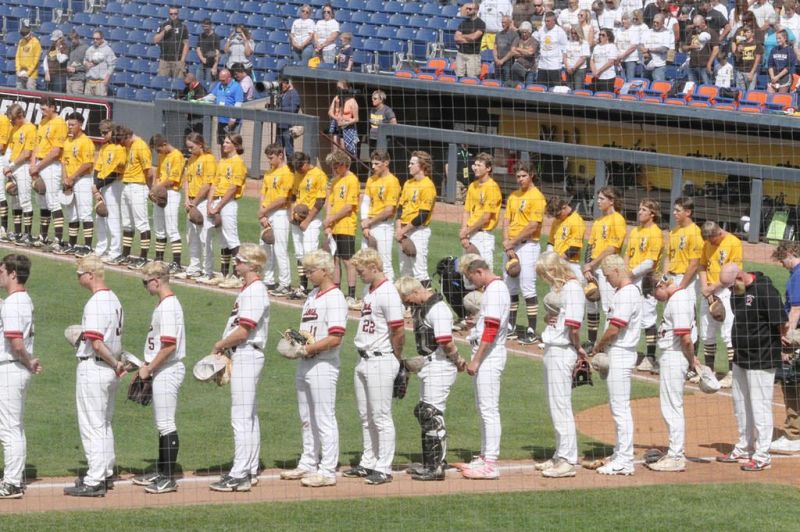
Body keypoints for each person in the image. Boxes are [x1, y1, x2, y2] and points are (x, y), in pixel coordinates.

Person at [280, 250, 347, 488]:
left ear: (325, 270)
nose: (307, 275)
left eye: (310, 271)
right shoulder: (312, 296)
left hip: (323, 365)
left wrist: (308, 350)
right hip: (305, 363)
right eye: (306, 271)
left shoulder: (335, 297)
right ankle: (308, 462)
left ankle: (327, 470)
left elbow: (336, 336)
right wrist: (295, 343)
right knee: (306, 417)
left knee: (323, 417)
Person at [209, 243, 269, 492]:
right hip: (243, 355)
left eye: (240, 260)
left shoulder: (255, 291)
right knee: (249, 416)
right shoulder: (248, 289)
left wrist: (219, 345)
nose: (236, 263)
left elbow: (244, 330)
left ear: (253, 265)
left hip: (247, 354)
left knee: (241, 417)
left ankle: (240, 474)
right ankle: (250, 469)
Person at [64, 256, 124, 497]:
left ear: (90, 274)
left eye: (80, 273)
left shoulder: (96, 302)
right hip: (107, 370)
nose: (78, 277)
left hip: (96, 367)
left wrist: (115, 363)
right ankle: (106, 472)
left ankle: (95, 479)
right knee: (104, 423)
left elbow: (97, 343)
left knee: (92, 425)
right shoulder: (114, 299)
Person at [716, 263, 784, 471]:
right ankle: (744, 447)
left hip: (762, 358)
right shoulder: (738, 292)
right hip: (741, 357)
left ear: (739, 277)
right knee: (740, 403)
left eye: (729, 286)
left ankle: (762, 456)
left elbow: (781, 323)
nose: (729, 291)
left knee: (760, 406)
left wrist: (781, 346)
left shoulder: (766, 290)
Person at [396, 276, 464, 481]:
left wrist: (458, 360)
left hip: (441, 366)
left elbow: (446, 342)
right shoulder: (426, 307)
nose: (406, 305)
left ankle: (435, 467)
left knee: (431, 413)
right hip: (431, 364)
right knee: (424, 412)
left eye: (406, 300)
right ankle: (431, 462)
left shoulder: (438, 310)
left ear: (414, 292)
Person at [346, 248, 405, 486]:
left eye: (361, 271)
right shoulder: (368, 290)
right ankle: (368, 461)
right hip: (364, 359)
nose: (359, 275)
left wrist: (395, 360)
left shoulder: (388, 293)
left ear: (374, 267)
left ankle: (383, 467)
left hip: (381, 359)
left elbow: (399, 331)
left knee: (381, 416)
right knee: (365, 416)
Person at [130, 261, 185, 494]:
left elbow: (169, 345)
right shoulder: (164, 305)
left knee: (166, 424)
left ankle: (168, 478)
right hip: (161, 368)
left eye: (145, 282)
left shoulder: (169, 306)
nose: (144, 287)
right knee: (161, 424)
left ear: (156, 281)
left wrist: (148, 369)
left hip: (168, 369)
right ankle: (162, 471)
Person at [458, 253, 510, 479]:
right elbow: (486, 325)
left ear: (480, 272)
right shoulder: (491, 291)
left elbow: (491, 329)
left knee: (489, 409)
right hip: (487, 354)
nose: (472, 284)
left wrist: (476, 359)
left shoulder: (496, 290)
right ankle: (484, 455)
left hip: (489, 357)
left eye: (472, 278)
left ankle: (490, 463)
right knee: (484, 408)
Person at [534, 252, 585, 478]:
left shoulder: (573, 289)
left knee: (561, 406)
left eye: (545, 274)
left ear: (554, 270)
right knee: (555, 405)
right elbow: (563, 320)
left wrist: (579, 348)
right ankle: (559, 454)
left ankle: (567, 460)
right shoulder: (565, 289)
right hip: (554, 349)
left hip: (563, 351)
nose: (545, 279)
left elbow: (574, 326)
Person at [590, 254, 642, 476]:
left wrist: (597, 347)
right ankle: (620, 452)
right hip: (619, 353)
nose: (607, 280)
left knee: (620, 408)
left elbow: (614, 328)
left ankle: (625, 460)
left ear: (617, 270)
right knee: (617, 407)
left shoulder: (627, 293)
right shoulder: (625, 293)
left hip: (620, 353)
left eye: (608, 275)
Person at [646, 273, 700, 472]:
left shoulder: (678, 301)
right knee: (670, 405)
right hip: (675, 355)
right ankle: (675, 452)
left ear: (660, 286)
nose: (655, 298)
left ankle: (676, 456)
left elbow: (685, 338)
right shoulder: (679, 298)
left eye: (653, 293)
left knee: (672, 406)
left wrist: (691, 359)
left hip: (675, 356)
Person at [0, 254, 42, 500]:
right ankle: (13, 478)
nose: (0, 273)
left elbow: (16, 343)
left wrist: (29, 362)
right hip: (13, 367)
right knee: (10, 426)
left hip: (11, 368)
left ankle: (13, 483)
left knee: (10, 428)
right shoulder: (17, 301)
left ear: (14, 273)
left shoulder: (15, 303)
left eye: (2, 269)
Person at [502, 161, 546, 344]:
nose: (520, 179)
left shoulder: (537, 197)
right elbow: (506, 221)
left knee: (527, 287)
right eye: (518, 176)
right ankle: (511, 326)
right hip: (511, 247)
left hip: (528, 246)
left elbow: (533, 226)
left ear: (532, 175)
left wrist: (512, 242)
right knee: (510, 286)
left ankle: (530, 329)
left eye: (523, 176)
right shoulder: (513, 196)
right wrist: (508, 243)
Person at [698, 220, 743, 388]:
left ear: (719, 233)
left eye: (712, 239)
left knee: (728, 333)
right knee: (707, 332)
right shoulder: (707, 243)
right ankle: (709, 371)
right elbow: (702, 265)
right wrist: (705, 288)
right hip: (708, 291)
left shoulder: (734, 243)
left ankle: (732, 373)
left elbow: (733, 273)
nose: (710, 243)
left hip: (726, 291)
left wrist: (712, 288)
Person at [582, 186, 626, 343]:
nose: (598, 201)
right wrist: (587, 267)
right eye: (598, 198)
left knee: (608, 307)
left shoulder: (618, 220)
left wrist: (592, 264)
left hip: (608, 270)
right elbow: (590, 245)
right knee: (591, 303)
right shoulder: (598, 221)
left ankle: (607, 343)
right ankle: (591, 342)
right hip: (593, 268)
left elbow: (612, 248)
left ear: (611, 201)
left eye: (601, 199)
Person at [626, 199, 663, 373]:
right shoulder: (635, 231)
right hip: (631, 277)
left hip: (646, 280)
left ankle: (650, 357)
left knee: (648, 317)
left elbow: (650, 262)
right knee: (630, 315)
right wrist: (625, 273)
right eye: (639, 208)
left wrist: (631, 274)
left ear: (652, 214)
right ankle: (631, 352)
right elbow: (628, 254)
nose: (639, 212)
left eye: (643, 209)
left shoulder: (655, 233)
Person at [204, 134, 245, 288]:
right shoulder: (222, 161)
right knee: (222, 240)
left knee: (231, 238)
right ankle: (223, 273)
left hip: (228, 203)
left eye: (228, 142)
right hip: (216, 201)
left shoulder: (238, 163)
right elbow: (214, 184)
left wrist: (218, 206)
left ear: (236, 145)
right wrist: (209, 204)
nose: (224, 144)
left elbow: (233, 188)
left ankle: (237, 275)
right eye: (224, 142)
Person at [770, 241, 800, 453]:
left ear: (790, 253)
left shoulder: (798, 275)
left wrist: (786, 338)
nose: (782, 264)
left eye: (782, 259)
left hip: (797, 336)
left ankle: (793, 435)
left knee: (791, 382)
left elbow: (796, 310)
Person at [175, 133, 216, 281]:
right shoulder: (191, 160)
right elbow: (186, 180)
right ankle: (194, 268)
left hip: (203, 202)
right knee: (191, 237)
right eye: (188, 147)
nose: (190, 150)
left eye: (192, 147)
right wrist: (186, 199)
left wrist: (195, 202)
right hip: (191, 202)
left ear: (200, 144)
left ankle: (208, 271)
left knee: (204, 237)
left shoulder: (209, 159)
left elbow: (208, 184)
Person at [29, 97, 68, 249]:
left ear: (53, 107)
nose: (42, 111)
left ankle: (58, 240)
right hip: (38, 163)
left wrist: (38, 167)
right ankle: (43, 237)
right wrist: (33, 165)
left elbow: (56, 150)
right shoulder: (43, 122)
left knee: (53, 202)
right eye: (41, 109)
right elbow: (37, 145)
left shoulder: (60, 123)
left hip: (52, 165)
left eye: (44, 109)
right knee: (42, 202)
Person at [289, 151, 328, 299]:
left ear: (306, 162)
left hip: (312, 220)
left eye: (300, 167)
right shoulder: (297, 174)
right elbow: (294, 196)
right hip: (297, 219)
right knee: (299, 253)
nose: (298, 170)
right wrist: (292, 213)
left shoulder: (319, 175)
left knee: (310, 253)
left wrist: (307, 220)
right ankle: (303, 286)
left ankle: (317, 287)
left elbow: (320, 201)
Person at [56, 112, 96, 256]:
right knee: (72, 214)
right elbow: (64, 163)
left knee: (85, 214)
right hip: (70, 181)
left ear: (80, 125)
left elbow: (87, 164)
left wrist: (72, 177)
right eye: (69, 124)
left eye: (73, 125)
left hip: (83, 180)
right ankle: (72, 244)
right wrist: (65, 179)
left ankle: (88, 247)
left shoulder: (86, 142)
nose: (70, 127)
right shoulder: (67, 141)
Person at [324, 151, 360, 307]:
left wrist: (331, 219)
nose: (334, 168)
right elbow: (329, 203)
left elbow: (348, 207)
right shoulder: (335, 181)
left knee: (348, 261)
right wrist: (328, 222)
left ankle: (351, 295)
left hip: (346, 226)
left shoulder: (352, 180)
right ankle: (337, 291)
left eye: (336, 165)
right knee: (335, 260)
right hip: (334, 227)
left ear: (344, 164)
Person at [113, 126, 152, 270]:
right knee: (128, 223)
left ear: (128, 136)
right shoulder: (130, 146)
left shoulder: (141, 146)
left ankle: (143, 257)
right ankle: (125, 254)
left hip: (138, 186)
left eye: (122, 141)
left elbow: (148, 171)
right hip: (127, 185)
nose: (122, 144)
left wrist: (150, 189)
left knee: (142, 223)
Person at [396, 151, 436, 286]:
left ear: (422, 166)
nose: (409, 166)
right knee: (404, 271)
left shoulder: (428, 186)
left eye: (412, 163)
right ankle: (409, 304)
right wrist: (398, 229)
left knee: (420, 271)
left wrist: (403, 230)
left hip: (419, 231)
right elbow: (400, 208)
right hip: (404, 231)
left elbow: (422, 216)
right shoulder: (408, 183)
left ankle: (427, 304)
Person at [258, 144, 294, 295]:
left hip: (280, 214)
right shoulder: (269, 173)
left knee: (280, 248)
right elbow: (263, 194)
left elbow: (282, 198)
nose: (269, 160)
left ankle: (285, 283)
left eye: (271, 157)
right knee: (265, 247)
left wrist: (264, 211)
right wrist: (263, 213)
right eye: (268, 158)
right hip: (267, 214)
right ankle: (269, 280)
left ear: (281, 155)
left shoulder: (287, 173)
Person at [361, 150, 400, 283]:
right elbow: (365, 202)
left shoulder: (393, 182)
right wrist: (364, 223)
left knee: (384, 262)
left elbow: (389, 210)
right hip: (369, 225)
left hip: (383, 226)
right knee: (365, 262)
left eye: (377, 164)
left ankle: (390, 295)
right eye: (372, 164)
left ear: (386, 163)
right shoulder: (371, 179)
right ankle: (368, 296)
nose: (373, 167)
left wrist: (369, 222)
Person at [460, 152, 502, 270]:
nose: (476, 168)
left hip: (483, 235)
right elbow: (466, 211)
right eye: (475, 165)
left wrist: (466, 231)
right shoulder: (473, 185)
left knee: (484, 271)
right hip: (469, 233)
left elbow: (486, 217)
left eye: (479, 165)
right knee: (467, 273)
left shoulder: (492, 188)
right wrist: (464, 233)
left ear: (488, 168)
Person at [149, 135, 184, 272]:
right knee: (159, 228)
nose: (158, 152)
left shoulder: (177, 156)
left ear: (164, 144)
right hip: (160, 193)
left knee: (172, 229)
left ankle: (177, 263)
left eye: (158, 149)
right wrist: (153, 189)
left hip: (171, 193)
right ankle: (159, 259)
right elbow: (158, 176)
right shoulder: (162, 156)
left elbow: (172, 180)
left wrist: (156, 189)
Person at [3, 104, 36, 246]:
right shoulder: (15, 129)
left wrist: (11, 165)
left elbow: (27, 153)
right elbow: (11, 150)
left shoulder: (31, 128)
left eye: (13, 120)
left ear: (20, 116)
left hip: (23, 167)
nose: (11, 123)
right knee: (15, 202)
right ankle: (17, 233)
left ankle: (27, 235)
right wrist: (9, 167)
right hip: (14, 167)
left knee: (25, 200)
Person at [95, 121, 126, 264]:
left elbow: (115, 172)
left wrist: (99, 185)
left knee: (113, 217)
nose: (103, 135)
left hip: (114, 185)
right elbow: (97, 168)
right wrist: (96, 186)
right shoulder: (104, 147)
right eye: (101, 133)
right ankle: (101, 248)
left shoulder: (120, 148)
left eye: (105, 132)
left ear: (112, 131)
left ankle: (115, 251)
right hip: (102, 185)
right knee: (100, 216)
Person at [662, 197, 702, 304]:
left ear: (688, 212)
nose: (674, 213)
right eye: (674, 210)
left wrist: (681, 286)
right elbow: (668, 257)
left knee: (685, 314)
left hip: (687, 280)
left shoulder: (695, 232)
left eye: (678, 210)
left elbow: (694, 263)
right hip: (671, 278)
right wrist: (665, 279)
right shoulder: (673, 232)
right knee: (669, 313)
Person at [547, 198, 586, 281]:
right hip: (556, 265)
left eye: (558, 215)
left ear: (564, 207)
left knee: (574, 291)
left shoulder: (576, 220)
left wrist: (558, 260)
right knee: (555, 292)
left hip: (571, 265)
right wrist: (549, 257)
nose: (556, 217)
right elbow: (551, 242)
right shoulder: (556, 221)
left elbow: (575, 247)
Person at [203, 69, 244, 146]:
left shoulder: (237, 87)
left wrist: (233, 118)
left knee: (233, 145)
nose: (221, 82)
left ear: (229, 78)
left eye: (223, 80)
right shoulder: (219, 85)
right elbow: (213, 96)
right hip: (221, 120)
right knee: (222, 144)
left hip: (233, 122)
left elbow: (238, 104)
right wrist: (202, 99)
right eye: (220, 80)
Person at [682, 15, 720, 85]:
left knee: (706, 88)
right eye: (695, 26)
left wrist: (709, 63)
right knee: (691, 88)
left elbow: (716, 49)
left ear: (703, 23)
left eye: (698, 26)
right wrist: (691, 47)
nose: (696, 28)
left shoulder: (711, 32)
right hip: (692, 65)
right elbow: (683, 47)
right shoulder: (692, 33)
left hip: (705, 66)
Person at [535, 12, 569, 86]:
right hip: (542, 66)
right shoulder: (542, 29)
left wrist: (564, 62)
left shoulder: (560, 32)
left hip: (554, 66)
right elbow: (536, 41)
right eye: (545, 21)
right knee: (540, 88)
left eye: (548, 21)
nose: (546, 23)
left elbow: (565, 49)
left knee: (556, 89)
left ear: (554, 21)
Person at [154, 6, 189, 78]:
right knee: (163, 83)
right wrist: (164, 31)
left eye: (175, 13)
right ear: (169, 14)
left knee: (178, 84)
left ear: (178, 14)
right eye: (171, 14)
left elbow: (186, 44)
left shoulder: (183, 27)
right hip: (164, 61)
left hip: (178, 61)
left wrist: (182, 60)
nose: (173, 15)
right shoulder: (163, 25)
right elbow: (155, 40)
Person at [327, 80, 359, 158]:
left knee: (344, 151)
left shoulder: (352, 101)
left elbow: (356, 119)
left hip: (347, 127)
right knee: (335, 149)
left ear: (346, 88)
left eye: (340, 87)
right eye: (337, 87)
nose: (338, 89)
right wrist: (337, 118)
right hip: (336, 125)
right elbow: (330, 112)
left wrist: (345, 123)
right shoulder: (336, 98)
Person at [640, 13, 674, 81]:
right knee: (644, 87)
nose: (655, 24)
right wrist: (644, 51)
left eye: (657, 22)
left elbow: (664, 49)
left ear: (663, 23)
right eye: (654, 22)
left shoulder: (667, 33)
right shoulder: (647, 31)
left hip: (659, 66)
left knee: (658, 87)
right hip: (646, 64)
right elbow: (641, 44)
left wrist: (648, 50)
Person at [455, 3, 486, 78]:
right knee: (459, 77)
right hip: (461, 54)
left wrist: (462, 36)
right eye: (467, 9)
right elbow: (456, 38)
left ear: (476, 10)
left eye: (470, 9)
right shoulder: (463, 23)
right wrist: (469, 38)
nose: (468, 10)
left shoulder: (481, 23)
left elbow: (474, 37)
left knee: (472, 78)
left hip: (473, 55)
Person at [83, 31, 116, 96]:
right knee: (87, 104)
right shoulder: (90, 49)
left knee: (100, 104)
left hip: (100, 83)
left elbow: (112, 65)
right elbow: (84, 60)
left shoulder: (108, 50)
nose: (95, 40)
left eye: (97, 39)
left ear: (102, 38)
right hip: (89, 82)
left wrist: (107, 78)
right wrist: (86, 63)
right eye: (94, 38)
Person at [732, 25, 763, 90]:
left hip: (750, 71)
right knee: (740, 93)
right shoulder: (741, 43)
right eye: (745, 32)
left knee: (750, 93)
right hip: (740, 71)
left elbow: (757, 59)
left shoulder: (757, 43)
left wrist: (752, 72)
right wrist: (738, 51)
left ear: (753, 34)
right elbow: (737, 58)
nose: (746, 34)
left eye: (748, 32)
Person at [277, 77, 302, 157]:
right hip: (280, 125)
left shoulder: (294, 93)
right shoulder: (284, 93)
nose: (281, 86)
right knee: (278, 150)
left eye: (283, 84)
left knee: (289, 150)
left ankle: (291, 168)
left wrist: (279, 109)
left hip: (288, 126)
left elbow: (293, 109)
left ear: (288, 84)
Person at [617, 13, 644, 80]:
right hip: (619, 59)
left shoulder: (635, 30)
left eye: (625, 19)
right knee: (621, 79)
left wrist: (622, 55)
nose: (623, 21)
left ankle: (630, 91)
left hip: (630, 59)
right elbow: (615, 43)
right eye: (622, 19)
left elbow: (633, 46)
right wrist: (618, 56)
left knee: (630, 79)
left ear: (631, 20)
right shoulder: (619, 30)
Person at [15, 25, 41, 90]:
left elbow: (36, 60)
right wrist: (18, 70)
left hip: (31, 74)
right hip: (21, 72)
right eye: (24, 37)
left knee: (30, 93)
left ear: (30, 33)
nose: (26, 38)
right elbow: (17, 56)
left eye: (27, 37)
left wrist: (28, 73)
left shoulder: (36, 42)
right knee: (19, 92)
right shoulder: (21, 41)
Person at [494, 16, 518, 85]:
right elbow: (495, 47)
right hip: (497, 63)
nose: (503, 24)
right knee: (496, 82)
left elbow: (512, 51)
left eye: (505, 22)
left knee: (506, 83)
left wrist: (502, 60)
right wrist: (496, 59)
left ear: (509, 23)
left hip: (508, 63)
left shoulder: (514, 35)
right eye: (502, 22)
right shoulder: (498, 34)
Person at [564, 25, 590, 90]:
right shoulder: (568, 42)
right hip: (568, 69)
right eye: (572, 33)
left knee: (578, 90)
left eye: (575, 33)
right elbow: (564, 56)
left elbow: (583, 58)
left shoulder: (584, 43)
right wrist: (568, 67)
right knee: (569, 89)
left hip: (579, 69)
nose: (573, 35)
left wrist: (574, 68)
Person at [196, 18, 221, 83]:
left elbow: (217, 52)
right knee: (199, 82)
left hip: (211, 63)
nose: (205, 28)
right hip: (202, 63)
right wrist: (202, 58)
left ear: (210, 26)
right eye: (203, 26)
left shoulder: (215, 37)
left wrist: (215, 66)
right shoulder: (201, 36)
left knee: (209, 82)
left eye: (206, 26)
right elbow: (198, 48)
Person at [66, 30, 89, 95]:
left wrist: (76, 69)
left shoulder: (85, 48)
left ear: (77, 38)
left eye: (73, 40)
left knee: (76, 102)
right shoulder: (70, 47)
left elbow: (88, 65)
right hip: (69, 79)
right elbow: (68, 60)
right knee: (68, 102)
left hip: (79, 80)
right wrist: (67, 67)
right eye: (70, 40)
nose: (72, 42)